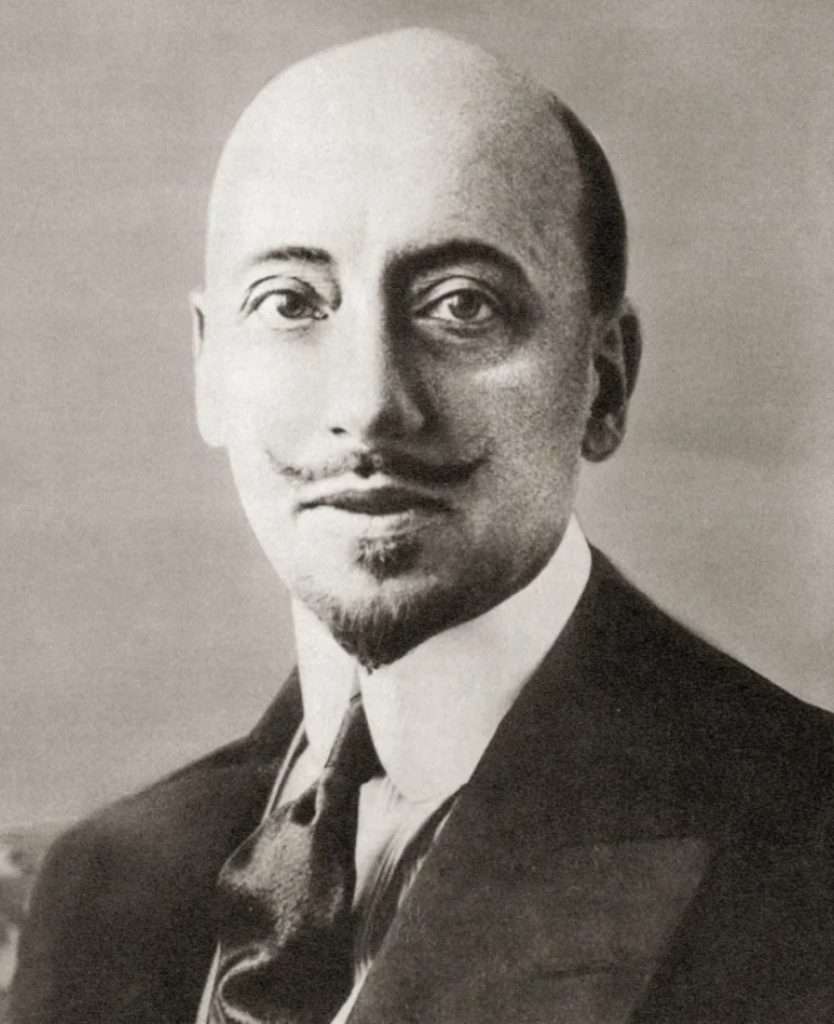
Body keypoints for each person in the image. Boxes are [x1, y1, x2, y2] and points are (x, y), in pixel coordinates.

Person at [11, 27, 834, 1024]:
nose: (369, 404)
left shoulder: (804, 852)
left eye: (462, 306)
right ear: (210, 370)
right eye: (290, 303)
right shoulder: (103, 891)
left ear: (605, 380)